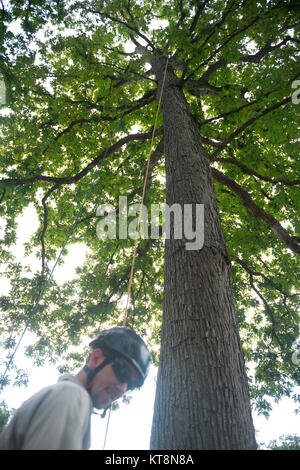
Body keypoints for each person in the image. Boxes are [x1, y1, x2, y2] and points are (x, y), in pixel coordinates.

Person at [0, 326, 151, 450]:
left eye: (130, 385)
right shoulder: (72, 396)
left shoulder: (67, 397)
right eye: (122, 372)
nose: (123, 389)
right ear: (95, 358)